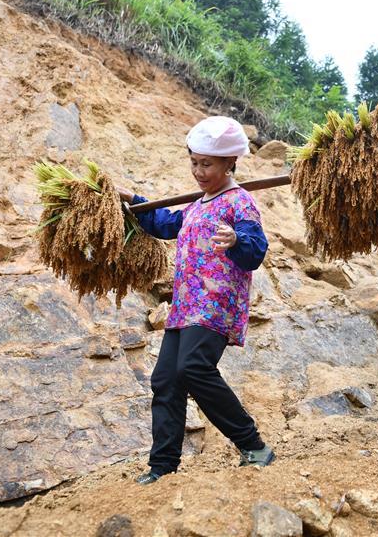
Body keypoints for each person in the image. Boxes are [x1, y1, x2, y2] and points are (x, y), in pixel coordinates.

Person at [118, 116, 274, 485]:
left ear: (229, 163)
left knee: (192, 367)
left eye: (207, 164)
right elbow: (165, 224)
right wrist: (136, 203)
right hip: (185, 305)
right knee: (167, 379)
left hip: (217, 303)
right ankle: (163, 467)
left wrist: (237, 240)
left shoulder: (240, 203)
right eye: (194, 162)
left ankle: (253, 446)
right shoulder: (196, 205)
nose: (199, 171)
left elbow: (256, 251)